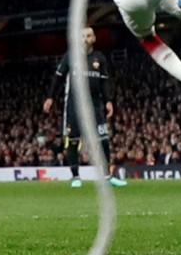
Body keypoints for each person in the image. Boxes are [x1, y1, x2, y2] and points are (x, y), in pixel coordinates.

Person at [43, 26, 127, 188]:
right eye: (82, 36)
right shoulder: (70, 56)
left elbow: (105, 82)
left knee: (103, 141)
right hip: (74, 106)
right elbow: (58, 78)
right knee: (73, 141)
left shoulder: (99, 58)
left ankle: (107, 176)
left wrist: (108, 101)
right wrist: (50, 97)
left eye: (88, 36)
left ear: (94, 38)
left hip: (95, 106)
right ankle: (75, 176)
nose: (85, 39)